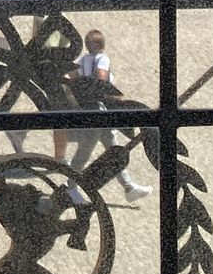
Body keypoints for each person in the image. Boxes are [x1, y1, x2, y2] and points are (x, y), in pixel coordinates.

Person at [62, 30, 151, 203]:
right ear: (100, 45)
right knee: (86, 151)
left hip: (90, 110)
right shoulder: (102, 59)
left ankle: (129, 187)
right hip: (100, 111)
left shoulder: (82, 60)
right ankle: (70, 187)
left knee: (112, 149)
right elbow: (101, 80)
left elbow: (69, 77)